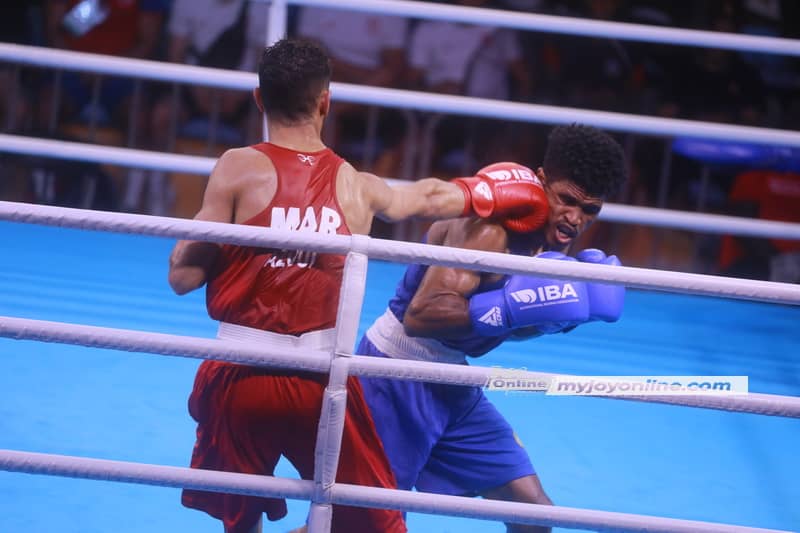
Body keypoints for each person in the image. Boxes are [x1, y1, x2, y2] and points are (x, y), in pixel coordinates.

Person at [167, 38, 548, 533]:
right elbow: (427, 198)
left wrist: (252, 245)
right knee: (372, 521)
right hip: (319, 383)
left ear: (260, 100)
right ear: (326, 101)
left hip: (238, 376)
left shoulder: (237, 167)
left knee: (241, 521)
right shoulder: (356, 185)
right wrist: (488, 192)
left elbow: (182, 276)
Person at [356, 124, 628, 533]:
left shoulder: (552, 251)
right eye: (567, 200)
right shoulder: (492, 230)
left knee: (533, 517)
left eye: (590, 210)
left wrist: (556, 320)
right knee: (356, 526)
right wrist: (510, 308)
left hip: (452, 383)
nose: (575, 218)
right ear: (541, 181)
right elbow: (422, 315)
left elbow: (494, 331)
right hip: (395, 376)